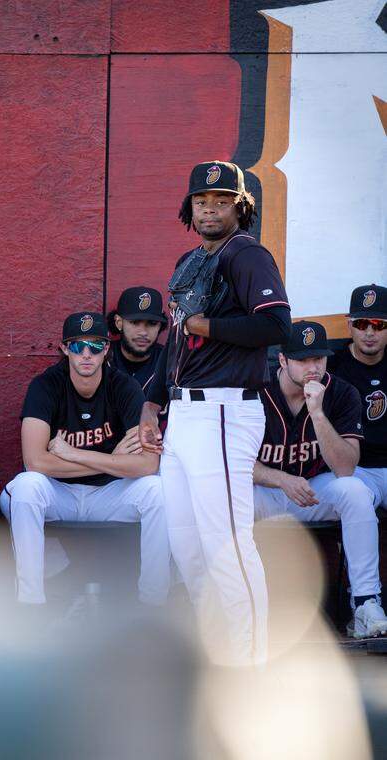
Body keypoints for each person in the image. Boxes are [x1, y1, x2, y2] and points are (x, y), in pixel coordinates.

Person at [140, 160, 292, 666]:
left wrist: (209, 324)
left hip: (225, 411)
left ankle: (253, 662)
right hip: (184, 414)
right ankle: (217, 651)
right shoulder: (191, 259)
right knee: (187, 541)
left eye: (222, 201)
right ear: (190, 207)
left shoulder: (247, 254)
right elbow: (180, 339)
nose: (210, 208)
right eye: (203, 201)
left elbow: (277, 327)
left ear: (240, 207)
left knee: (226, 542)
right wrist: (152, 402)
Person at [0, 311, 169, 607]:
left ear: (107, 349)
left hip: (109, 494)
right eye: (78, 346)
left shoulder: (124, 387)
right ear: (65, 349)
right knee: (24, 487)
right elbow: (36, 463)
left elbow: (147, 464)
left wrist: (74, 454)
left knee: (159, 492)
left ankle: (153, 604)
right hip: (59, 493)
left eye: (95, 346)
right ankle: (30, 603)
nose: (86, 354)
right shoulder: (46, 386)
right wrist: (111, 459)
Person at [253, 321, 386, 638]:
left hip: (313, 492)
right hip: (263, 492)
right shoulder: (255, 391)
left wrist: (318, 413)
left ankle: (366, 602)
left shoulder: (340, 392)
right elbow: (234, 464)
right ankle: (238, 607)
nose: (313, 367)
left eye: (319, 358)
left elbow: (344, 468)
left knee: (355, 491)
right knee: (224, 496)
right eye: (302, 359)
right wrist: (281, 480)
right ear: (283, 360)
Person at [328, 284, 387, 508]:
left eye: (379, 325)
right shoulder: (332, 369)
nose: (369, 332)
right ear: (349, 325)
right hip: (356, 470)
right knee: (354, 499)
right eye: (362, 324)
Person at [107, 286, 166, 392]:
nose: (143, 332)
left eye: (152, 323)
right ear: (118, 323)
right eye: (135, 322)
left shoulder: (171, 361)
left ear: (160, 326)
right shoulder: (101, 359)